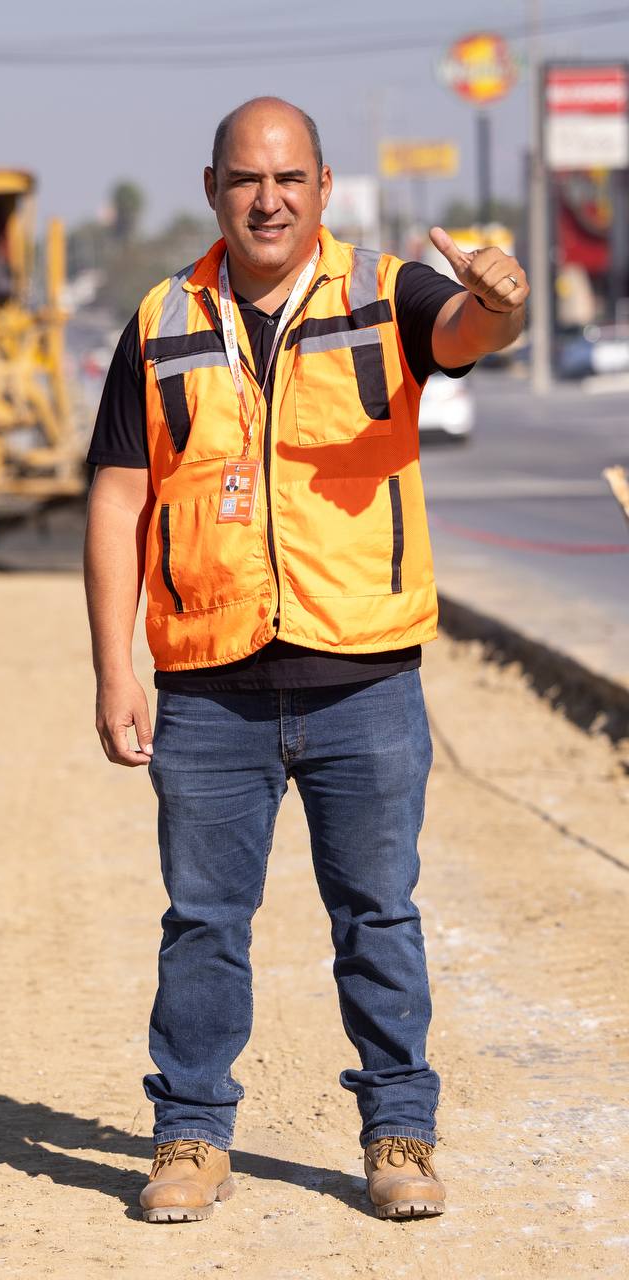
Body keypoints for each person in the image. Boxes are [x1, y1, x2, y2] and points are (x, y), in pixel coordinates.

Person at [83, 98, 527, 1224]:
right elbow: (119, 496)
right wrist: (113, 668)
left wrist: (497, 302)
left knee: (378, 916)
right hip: (208, 684)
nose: (267, 200)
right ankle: (190, 1134)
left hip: (362, 678)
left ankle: (399, 1132)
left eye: (288, 179)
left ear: (323, 187)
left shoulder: (386, 293)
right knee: (201, 922)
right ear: (212, 189)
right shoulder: (161, 319)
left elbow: (464, 337)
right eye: (245, 179)